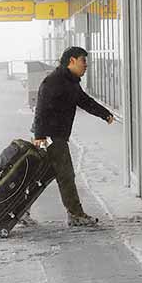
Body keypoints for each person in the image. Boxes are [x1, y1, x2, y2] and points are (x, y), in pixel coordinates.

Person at [30, 46, 114, 226]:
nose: (86, 65)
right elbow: (41, 108)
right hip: (51, 137)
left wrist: (104, 114)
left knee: (38, 175)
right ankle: (76, 214)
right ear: (72, 61)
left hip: (54, 136)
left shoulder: (70, 81)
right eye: (83, 60)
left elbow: (84, 101)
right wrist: (40, 135)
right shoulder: (55, 81)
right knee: (65, 175)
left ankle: (19, 210)